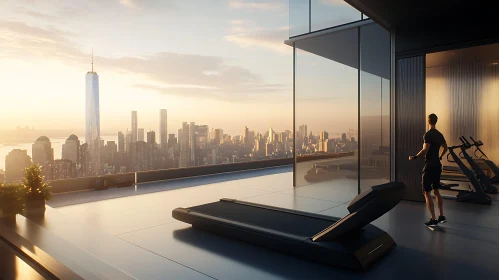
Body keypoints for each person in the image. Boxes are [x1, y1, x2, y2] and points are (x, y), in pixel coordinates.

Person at [409, 113, 448, 227]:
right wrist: (440, 156)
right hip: (437, 165)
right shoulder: (439, 134)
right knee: (436, 191)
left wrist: (415, 156)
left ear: (428, 121)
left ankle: (433, 219)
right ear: (436, 121)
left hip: (430, 166)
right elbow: (445, 147)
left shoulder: (428, 135)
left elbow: (425, 150)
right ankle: (441, 216)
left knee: (426, 192)